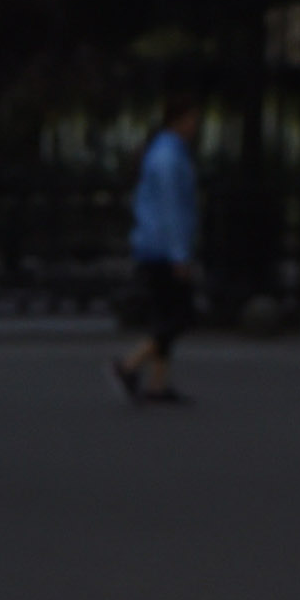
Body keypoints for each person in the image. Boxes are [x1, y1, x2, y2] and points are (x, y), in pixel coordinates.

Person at [115, 98, 200, 401]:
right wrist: (179, 254)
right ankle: (130, 365)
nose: (195, 127)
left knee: (167, 312)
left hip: (156, 244)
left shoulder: (166, 153)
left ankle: (157, 383)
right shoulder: (168, 157)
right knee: (180, 315)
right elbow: (171, 209)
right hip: (162, 247)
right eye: (191, 120)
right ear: (177, 121)